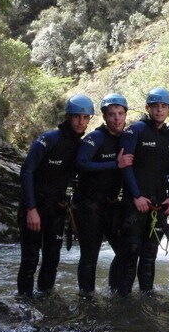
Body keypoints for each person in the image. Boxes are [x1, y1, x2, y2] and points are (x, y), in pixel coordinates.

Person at [17, 94, 93, 296]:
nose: (81, 122)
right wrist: (31, 209)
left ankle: (46, 300)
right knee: (30, 257)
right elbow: (27, 171)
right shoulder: (49, 139)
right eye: (77, 116)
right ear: (68, 116)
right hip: (35, 206)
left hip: (57, 208)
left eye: (86, 118)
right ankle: (23, 301)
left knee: (52, 257)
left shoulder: (82, 146)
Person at [118, 87, 169, 295]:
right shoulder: (136, 131)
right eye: (155, 106)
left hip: (158, 204)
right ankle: (123, 299)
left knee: (150, 255)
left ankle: (147, 298)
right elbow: (126, 167)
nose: (159, 110)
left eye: (164, 107)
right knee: (130, 253)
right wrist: (136, 196)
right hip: (135, 204)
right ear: (148, 108)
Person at [74, 93, 134, 296]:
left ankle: (114, 291)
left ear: (126, 115)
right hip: (88, 205)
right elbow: (80, 163)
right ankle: (87, 297)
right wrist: (114, 164)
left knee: (125, 250)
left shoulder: (127, 139)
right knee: (90, 255)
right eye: (111, 114)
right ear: (104, 117)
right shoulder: (96, 137)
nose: (116, 118)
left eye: (120, 114)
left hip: (110, 205)